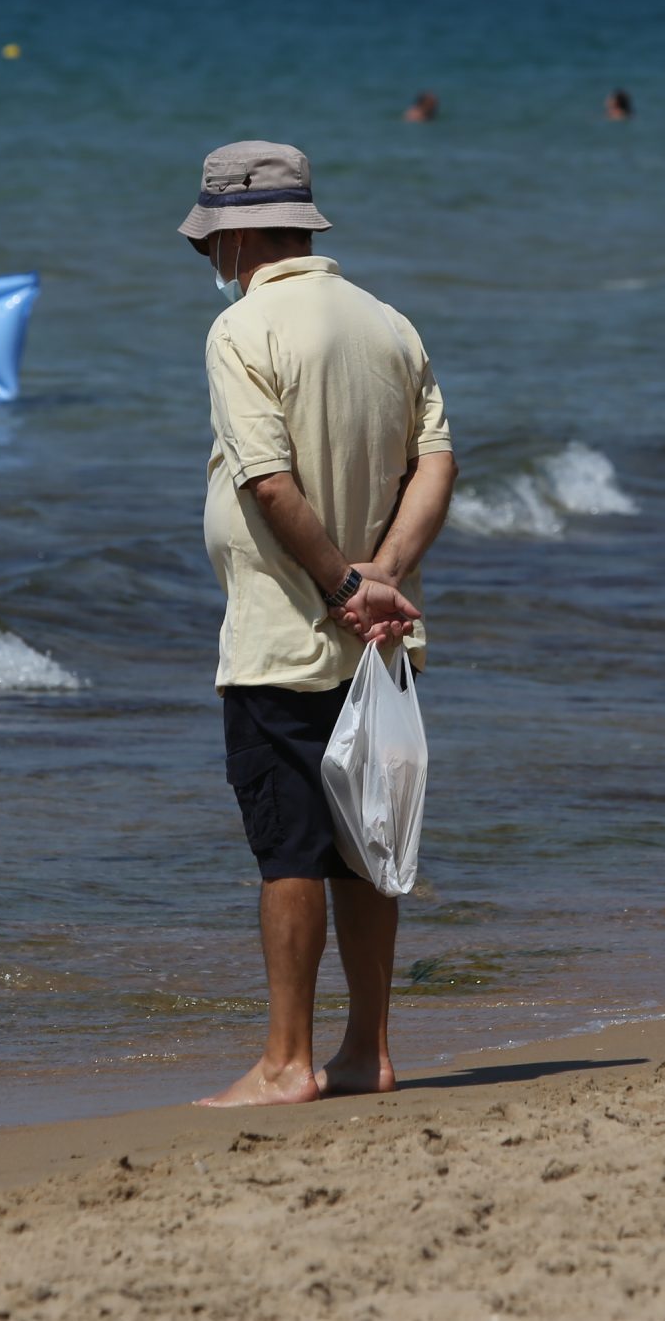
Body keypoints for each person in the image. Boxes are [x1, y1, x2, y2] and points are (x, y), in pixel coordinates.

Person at [179, 141, 457, 1109]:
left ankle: (286, 1060)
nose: (211, 262)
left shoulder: (243, 331)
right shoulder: (389, 323)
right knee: (365, 845)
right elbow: (437, 466)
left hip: (285, 631)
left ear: (241, 234)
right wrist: (384, 576)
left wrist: (342, 584)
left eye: (212, 243)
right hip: (381, 638)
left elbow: (266, 480)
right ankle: (365, 1051)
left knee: (289, 848)